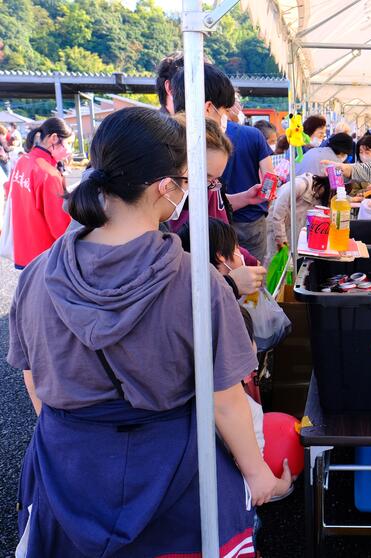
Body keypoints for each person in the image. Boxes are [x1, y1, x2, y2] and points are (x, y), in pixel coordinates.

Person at [8, 107, 291, 557]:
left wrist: (75, 440)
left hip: (66, 474)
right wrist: (258, 476)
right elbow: (225, 402)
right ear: (166, 186)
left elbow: (34, 380)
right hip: (173, 480)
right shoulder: (197, 282)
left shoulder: (38, 275)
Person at [172, 64, 274, 263]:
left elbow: (212, 203)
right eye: (225, 110)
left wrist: (244, 198)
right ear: (208, 108)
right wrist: (232, 271)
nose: (226, 117)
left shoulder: (199, 153)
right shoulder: (183, 158)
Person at [6, 117, 73, 269]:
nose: (69, 149)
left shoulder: (23, 161)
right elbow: (59, 225)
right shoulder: (49, 174)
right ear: (54, 138)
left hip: (23, 249)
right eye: (68, 143)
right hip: (45, 255)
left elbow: (9, 189)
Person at [264, 172, 331, 263]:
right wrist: (281, 238)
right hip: (275, 229)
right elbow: (278, 211)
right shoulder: (300, 184)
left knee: (285, 262)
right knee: (271, 260)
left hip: (290, 231)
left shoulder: (318, 197)